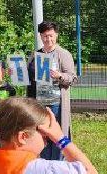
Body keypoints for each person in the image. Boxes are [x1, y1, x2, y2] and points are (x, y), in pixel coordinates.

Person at [31, 21, 77, 160]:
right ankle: (45, 164)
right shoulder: (35, 55)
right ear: (40, 36)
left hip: (56, 104)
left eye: (51, 35)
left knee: (57, 135)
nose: (48, 39)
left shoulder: (63, 54)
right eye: (45, 36)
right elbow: (28, 78)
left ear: (56, 35)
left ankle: (57, 165)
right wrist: (16, 73)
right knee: (42, 135)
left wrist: (60, 76)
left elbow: (73, 78)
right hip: (39, 105)